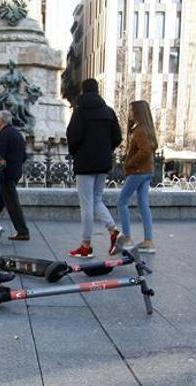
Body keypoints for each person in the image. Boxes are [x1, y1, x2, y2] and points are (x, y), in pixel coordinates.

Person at [66, 78, 122, 258]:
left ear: (83, 91)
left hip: (84, 163)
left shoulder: (80, 111)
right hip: (103, 162)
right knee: (97, 200)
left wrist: (76, 152)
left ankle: (86, 245)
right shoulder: (108, 111)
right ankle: (113, 230)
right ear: (97, 91)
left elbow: (72, 136)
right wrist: (107, 149)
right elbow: (117, 137)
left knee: (87, 204)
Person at [113, 100, 157, 255]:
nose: (129, 113)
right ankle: (149, 241)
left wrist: (130, 162)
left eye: (131, 110)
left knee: (121, 202)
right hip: (147, 171)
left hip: (138, 171)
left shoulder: (139, 131)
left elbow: (144, 151)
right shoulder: (147, 128)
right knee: (144, 205)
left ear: (138, 112)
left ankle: (127, 237)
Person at [0, 110, 31, 240]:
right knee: (1, 200)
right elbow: (24, 156)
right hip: (15, 172)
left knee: (12, 203)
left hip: (6, 174)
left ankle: (23, 231)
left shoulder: (4, 134)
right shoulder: (18, 134)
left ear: (1, 121)